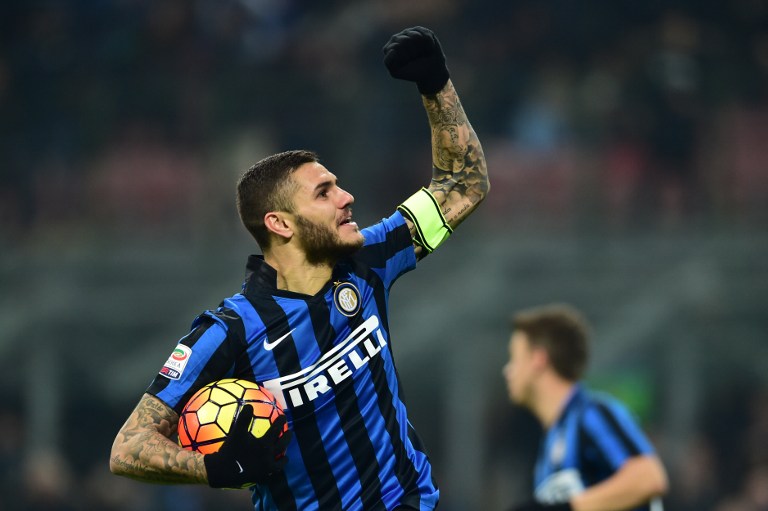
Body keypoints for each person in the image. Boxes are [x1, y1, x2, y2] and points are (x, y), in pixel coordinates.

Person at [110, 26, 489, 511]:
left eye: (338, 185)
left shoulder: (368, 258)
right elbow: (129, 447)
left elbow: (463, 185)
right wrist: (217, 468)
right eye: (324, 193)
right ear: (280, 223)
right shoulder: (230, 330)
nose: (347, 197)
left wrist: (436, 86)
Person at [502, 304, 669, 511]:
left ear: (538, 359)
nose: (507, 370)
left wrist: (567, 508)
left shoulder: (591, 414)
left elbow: (649, 478)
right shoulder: (550, 444)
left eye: (514, 359)